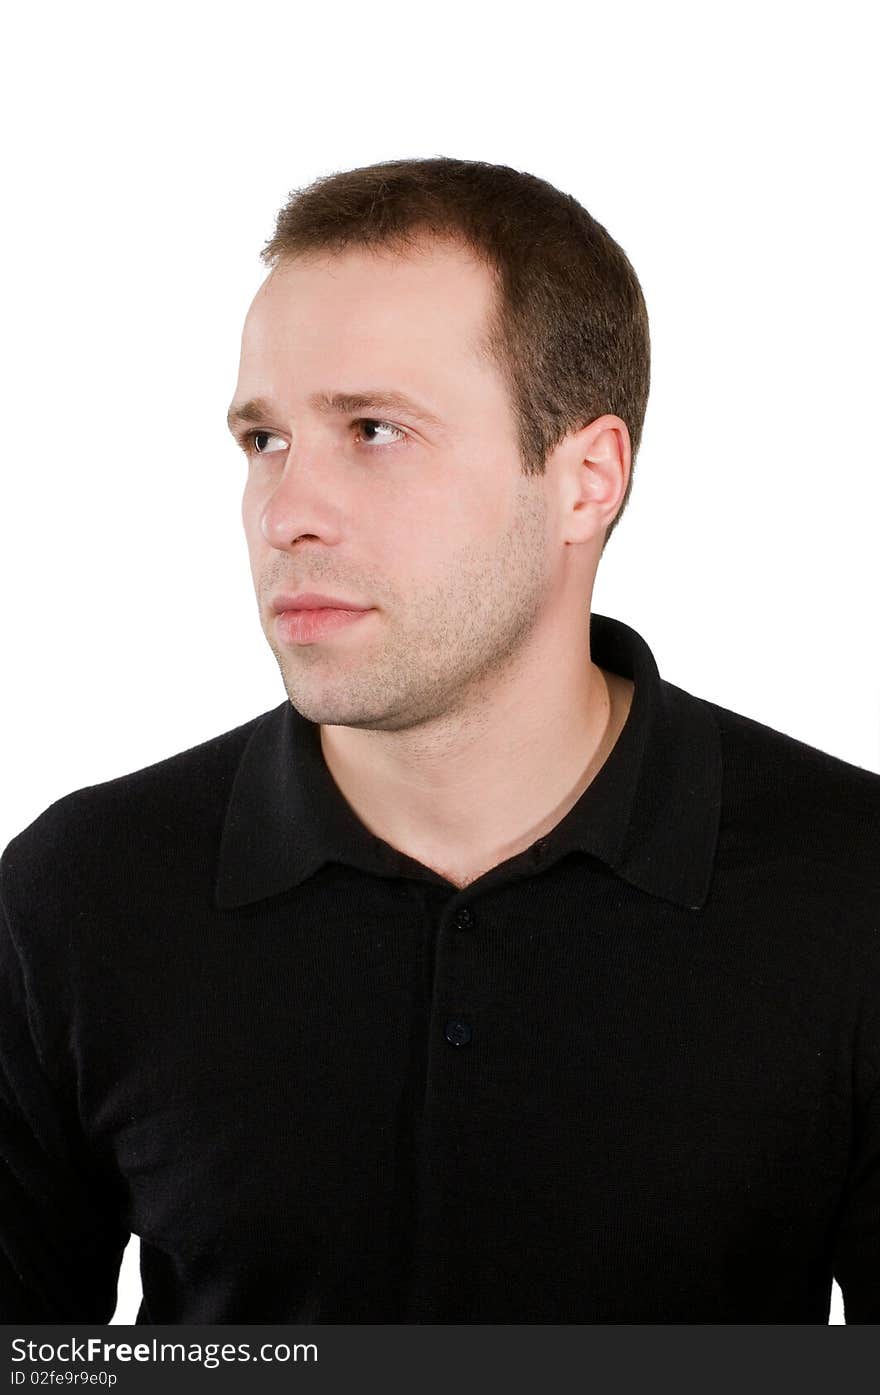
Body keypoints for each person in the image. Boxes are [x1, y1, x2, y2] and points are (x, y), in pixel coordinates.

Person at [1, 156, 878, 1325]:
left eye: (373, 429)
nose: (286, 513)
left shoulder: (852, 888)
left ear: (585, 480)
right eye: (263, 441)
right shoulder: (83, 892)